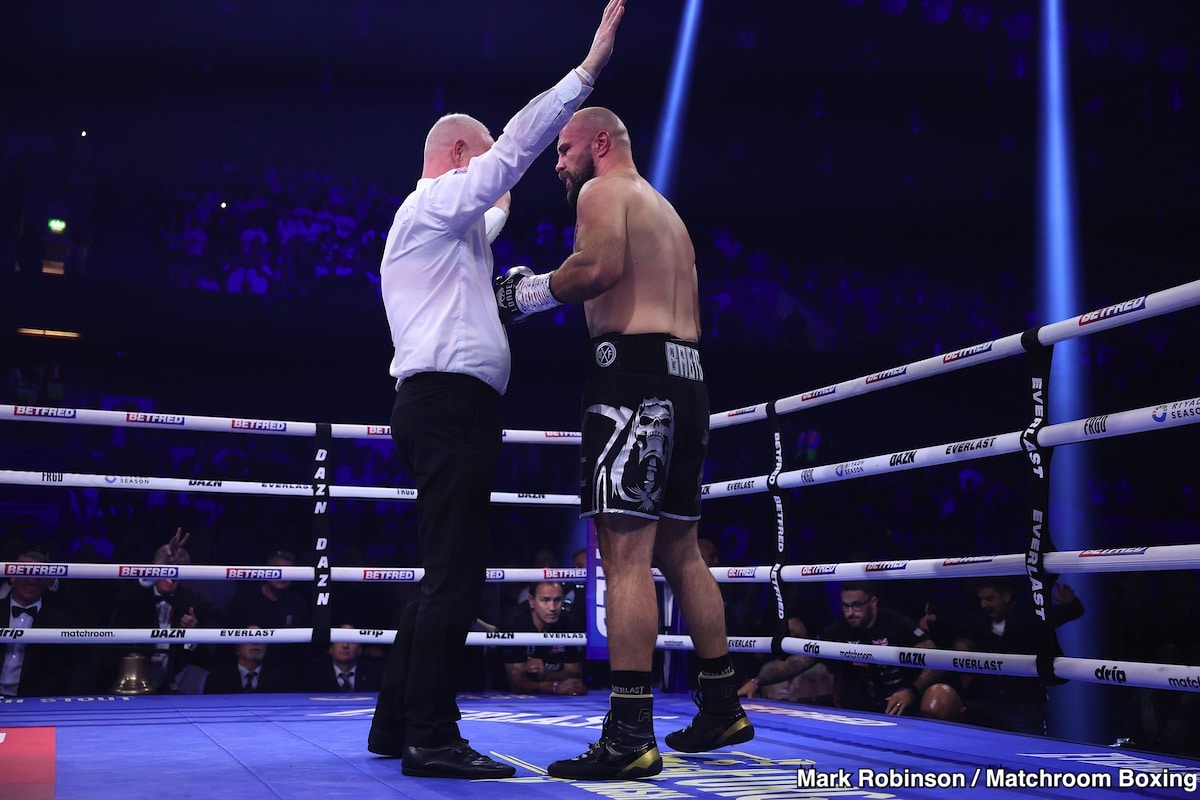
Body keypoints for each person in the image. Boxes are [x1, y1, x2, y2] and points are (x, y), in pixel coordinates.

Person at [366, 0, 626, 781]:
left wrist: (541, 275)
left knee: (442, 569)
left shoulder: (453, 242)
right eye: (478, 170)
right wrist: (585, 75)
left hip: (448, 406)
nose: (499, 190)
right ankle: (432, 738)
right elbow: (508, 158)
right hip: (447, 406)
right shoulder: (431, 205)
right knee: (456, 575)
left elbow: (502, 211)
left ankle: (393, 724)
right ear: (454, 160)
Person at [493, 106, 752, 780]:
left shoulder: (605, 191)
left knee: (624, 555)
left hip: (632, 380)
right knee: (681, 550)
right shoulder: (664, 209)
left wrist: (525, 295)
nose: (558, 163)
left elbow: (598, 269)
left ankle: (631, 734)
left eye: (565, 149)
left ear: (600, 144)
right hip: (689, 380)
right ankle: (722, 701)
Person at [918, 577, 1085, 735]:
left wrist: (1070, 603)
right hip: (991, 707)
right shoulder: (981, 619)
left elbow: (1068, 613)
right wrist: (934, 619)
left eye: (989, 599)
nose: (984, 605)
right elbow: (957, 622)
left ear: (1006, 596)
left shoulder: (1029, 615)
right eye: (981, 599)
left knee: (1029, 756)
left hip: (1024, 708)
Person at [105, 540, 213, 694]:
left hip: (174, 682)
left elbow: (202, 658)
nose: (171, 572)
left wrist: (191, 636)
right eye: (167, 566)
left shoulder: (191, 603)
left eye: (178, 567)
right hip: (129, 680)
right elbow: (122, 602)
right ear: (155, 566)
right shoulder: (133, 596)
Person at [815, 582, 939, 716]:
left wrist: (911, 691)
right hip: (862, 709)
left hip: (904, 707)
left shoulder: (895, 623)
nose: (850, 613)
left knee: (940, 694)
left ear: (873, 602)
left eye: (856, 605)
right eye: (845, 606)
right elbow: (805, 656)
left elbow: (936, 660)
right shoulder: (840, 628)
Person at [1, 550, 89, 697]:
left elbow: (65, 671)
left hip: (37, 699)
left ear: (47, 580)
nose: (33, 581)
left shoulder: (61, 621)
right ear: (13, 577)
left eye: (39, 575)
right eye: (27, 573)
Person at [497, 581, 587, 696]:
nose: (552, 608)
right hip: (505, 696)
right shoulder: (513, 624)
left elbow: (575, 673)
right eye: (545, 600)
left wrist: (546, 673)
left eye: (557, 600)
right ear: (532, 601)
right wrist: (554, 686)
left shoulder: (570, 624)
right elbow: (516, 682)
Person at [204, 627, 297, 694]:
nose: (256, 643)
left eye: (260, 639)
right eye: (250, 638)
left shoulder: (281, 681)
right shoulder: (217, 679)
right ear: (237, 649)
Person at [304, 624, 383, 693]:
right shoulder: (315, 676)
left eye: (351, 640)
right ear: (331, 648)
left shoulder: (375, 675)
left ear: (360, 649)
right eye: (340, 640)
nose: (345, 645)